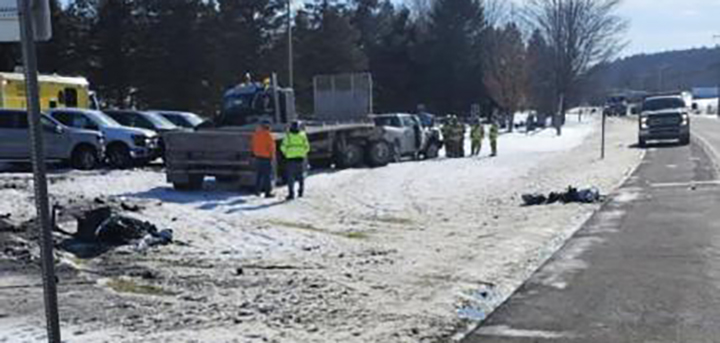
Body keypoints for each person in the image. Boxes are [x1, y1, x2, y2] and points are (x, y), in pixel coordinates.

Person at [280, 120, 310, 200]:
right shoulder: (303, 135)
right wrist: (302, 153)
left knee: (291, 178)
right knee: (300, 177)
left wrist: (286, 154)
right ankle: (300, 192)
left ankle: (291, 194)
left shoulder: (288, 136)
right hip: (300, 159)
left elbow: (282, 147)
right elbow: (307, 147)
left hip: (290, 160)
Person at [251, 119, 276, 198]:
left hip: (258, 157)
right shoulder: (268, 135)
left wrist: (255, 153)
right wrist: (272, 156)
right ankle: (267, 192)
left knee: (259, 175)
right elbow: (271, 147)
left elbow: (253, 145)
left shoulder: (256, 134)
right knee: (267, 176)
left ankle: (257, 191)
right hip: (266, 157)